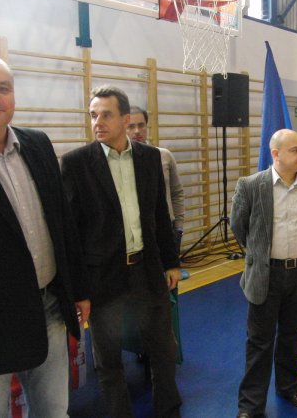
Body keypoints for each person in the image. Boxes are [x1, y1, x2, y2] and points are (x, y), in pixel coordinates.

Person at [0, 53, 90, 417]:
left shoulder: (38, 145)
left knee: (54, 412)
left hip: (48, 309)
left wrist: (78, 289)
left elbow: (63, 225)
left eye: (3, 88)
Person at [61, 85, 182, 418]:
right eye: (93, 115)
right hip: (102, 278)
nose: (97, 122)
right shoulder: (76, 163)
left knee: (163, 350)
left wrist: (171, 262)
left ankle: (169, 411)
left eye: (106, 115)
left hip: (147, 269)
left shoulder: (150, 158)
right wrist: (78, 289)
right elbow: (70, 233)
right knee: (109, 360)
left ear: (126, 119)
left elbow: (160, 214)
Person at [231, 129, 297, 418]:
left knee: (291, 337)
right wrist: (259, 255)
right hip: (265, 275)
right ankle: (251, 406)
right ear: (275, 154)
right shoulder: (250, 186)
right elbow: (239, 227)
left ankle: (289, 388)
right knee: (259, 342)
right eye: (295, 150)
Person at [126, 106, 186, 267]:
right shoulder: (120, 162)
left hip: (166, 228)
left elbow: (177, 193)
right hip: (137, 233)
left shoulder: (163, 155)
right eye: (131, 126)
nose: (137, 131)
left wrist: (178, 227)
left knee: (169, 276)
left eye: (141, 125)